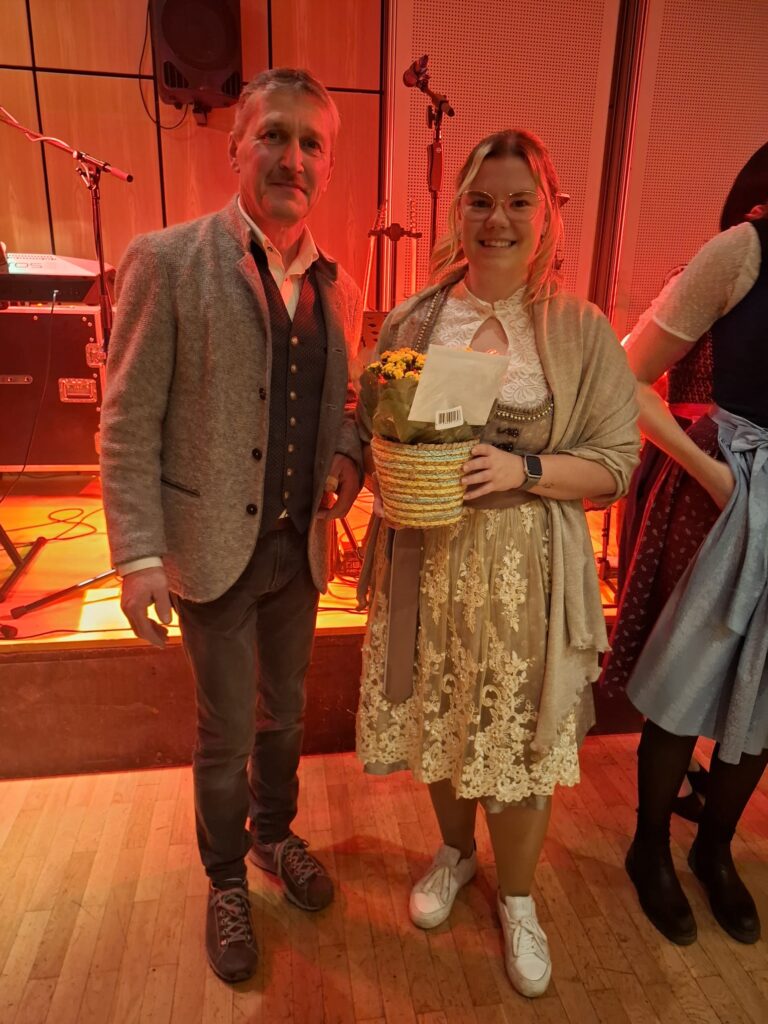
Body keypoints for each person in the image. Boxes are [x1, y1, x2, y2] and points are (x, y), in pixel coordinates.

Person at [355, 130, 639, 997]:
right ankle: (454, 853)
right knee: (440, 722)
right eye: (481, 201)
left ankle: (518, 899)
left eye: (519, 202)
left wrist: (525, 471)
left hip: (527, 576)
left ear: (548, 214)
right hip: (428, 560)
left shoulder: (581, 330)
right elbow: (376, 424)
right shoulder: (414, 318)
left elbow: (615, 464)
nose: (498, 220)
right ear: (458, 210)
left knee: (516, 739)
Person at [100, 68, 363, 983]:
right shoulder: (166, 260)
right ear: (236, 147)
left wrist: (347, 459)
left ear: (328, 165)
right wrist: (137, 554)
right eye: (274, 136)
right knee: (224, 733)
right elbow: (127, 420)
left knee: (284, 715)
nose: (293, 158)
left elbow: (347, 408)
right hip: (209, 550)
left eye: (311, 143)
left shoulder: (337, 285)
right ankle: (224, 880)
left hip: (298, 552)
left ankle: (272, 835)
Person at [601, 203, 768, 947]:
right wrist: (716, 475)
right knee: (684, 676)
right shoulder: (742, 251)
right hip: (723, 490)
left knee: (766, 693)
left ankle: (714, 848)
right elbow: (628, 375)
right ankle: (649, 849)